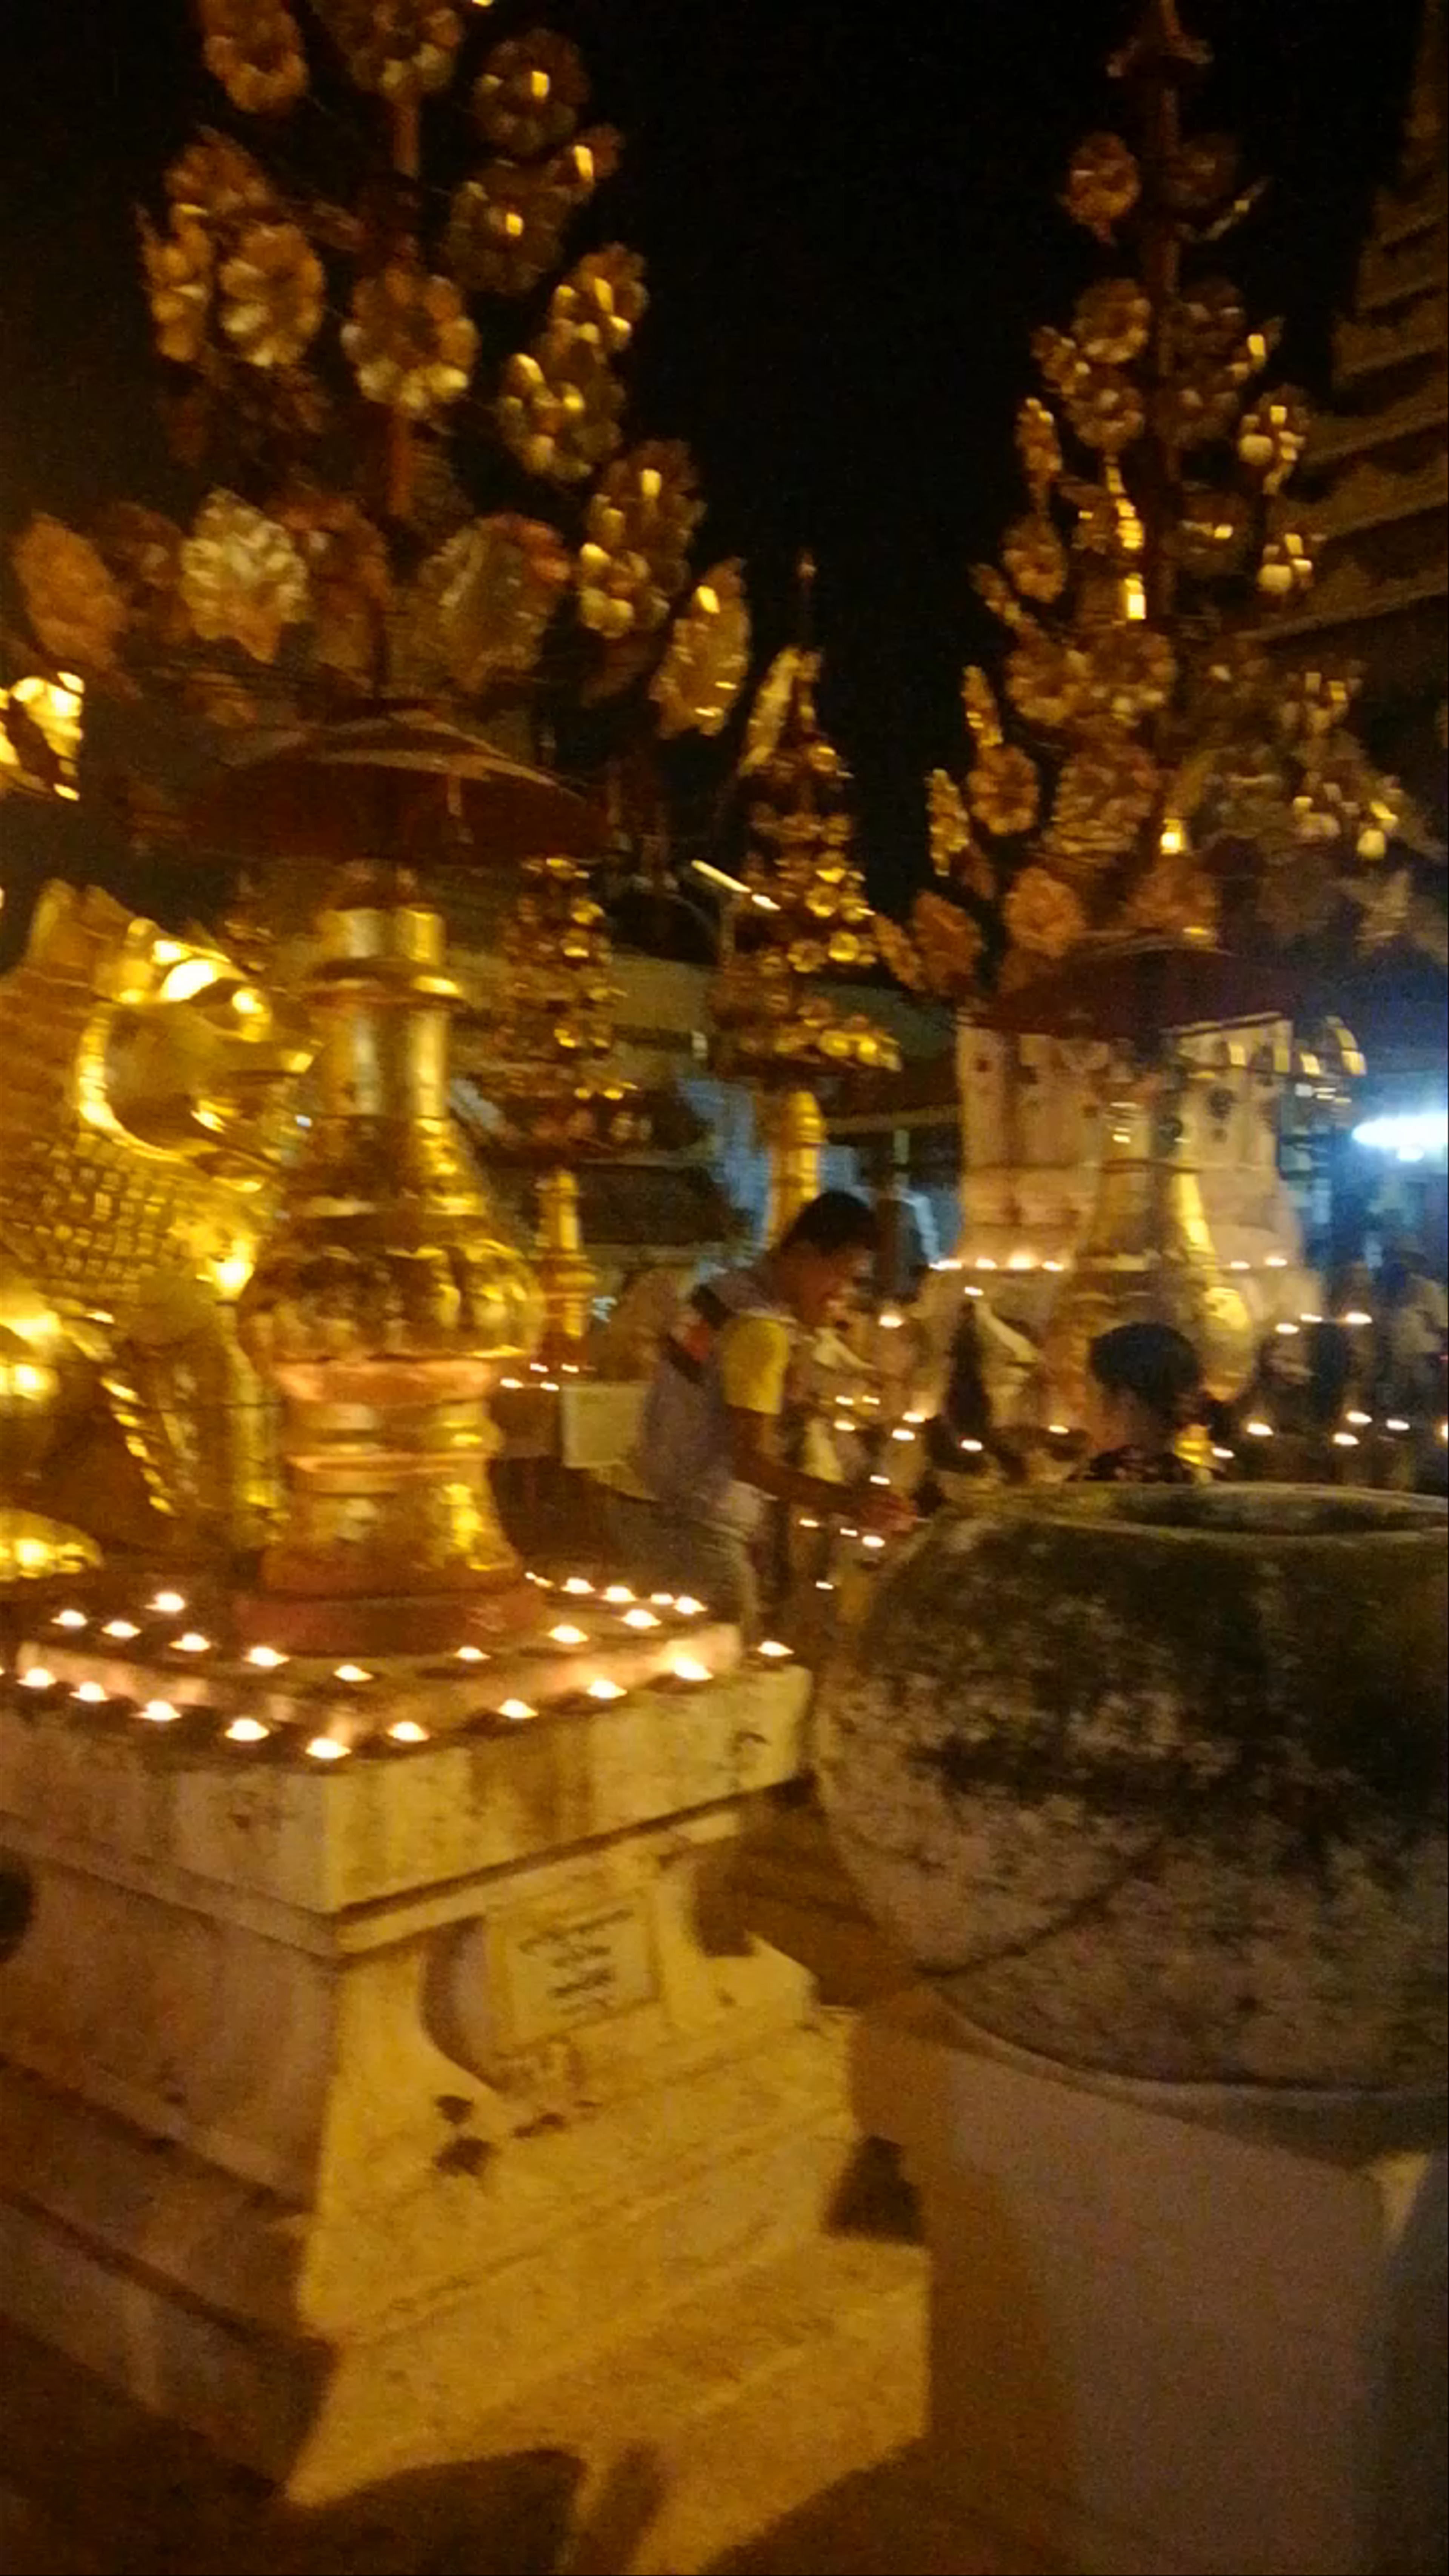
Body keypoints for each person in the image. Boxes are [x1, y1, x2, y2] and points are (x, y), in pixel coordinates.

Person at [613, 1191, 911, 1634]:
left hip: (641, 1499)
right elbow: (750, 1461)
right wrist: (853, 1503)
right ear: (804, 1254)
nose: (843, 1296)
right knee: (728, 1655)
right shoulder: (761, 1330)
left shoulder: (720, 1293)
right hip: (689, 1523)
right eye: (841, 1276)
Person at [1075, 1320, 1205, 1485]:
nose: (1084, 1410)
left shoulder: (1093, 1480)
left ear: (1126, 1400)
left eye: (1090, 1394)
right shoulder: (1203, 1482)